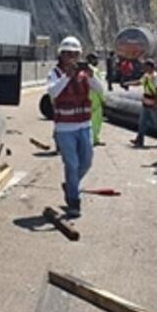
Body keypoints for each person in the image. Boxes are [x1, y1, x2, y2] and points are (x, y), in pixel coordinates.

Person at [47, 36, 104, 218]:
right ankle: (73, 200)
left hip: (84, 126)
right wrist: (67, 77)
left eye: (74, 54)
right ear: (61, 55)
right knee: (71, 164)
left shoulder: (85, 74)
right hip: (65, 128)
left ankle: (71, 185)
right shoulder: (55, 73)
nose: (71, 58)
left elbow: (101, 91)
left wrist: (91, 76)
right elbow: (53, 91)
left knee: (86, 162)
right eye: (67, 54)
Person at [132, 60, 157, 148]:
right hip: (146, 102)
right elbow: (139, 82)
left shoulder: (155, 76)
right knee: (142, 122)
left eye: (146, 66)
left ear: (150, 67)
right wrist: (128, 83)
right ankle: (139, 139)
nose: (144, 68)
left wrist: (156, 103)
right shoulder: (146, 76)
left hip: (153, 102)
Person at [86, 52, 106, 146]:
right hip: (95, 99)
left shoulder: (89, 70)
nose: (97, 61)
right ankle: (93, 139)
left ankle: (94, 138)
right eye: (95, 59)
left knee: (94, 121)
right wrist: (103, 98)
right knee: (95, 121)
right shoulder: (92, 70)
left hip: (91, 99)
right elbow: (99, 87)